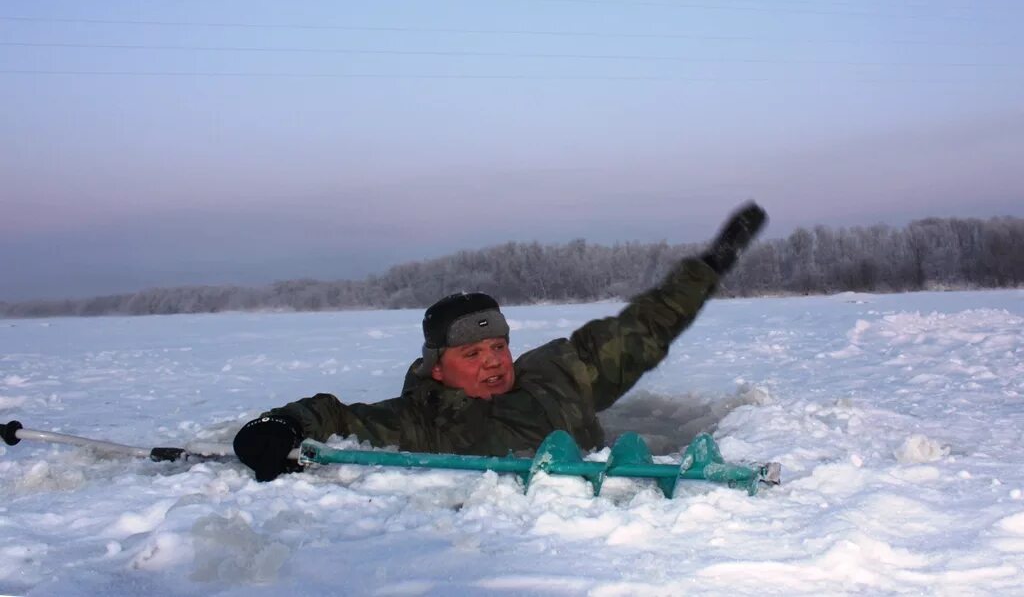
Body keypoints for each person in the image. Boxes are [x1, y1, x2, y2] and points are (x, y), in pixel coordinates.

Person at [233, 202, 768, 481]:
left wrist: (710, 266)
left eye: (499, 346)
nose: (494, 361)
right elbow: (332, 416)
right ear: (438, 368)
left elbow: (644, 326)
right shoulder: (417, 420)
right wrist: (277, 425)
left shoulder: (560, 374)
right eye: (472, 353)